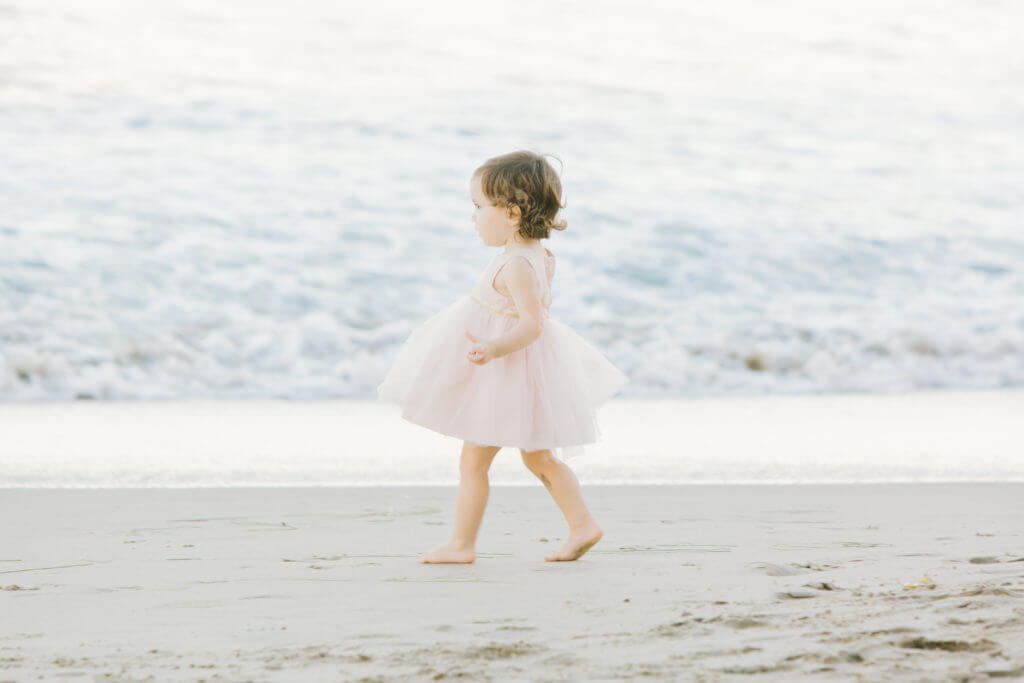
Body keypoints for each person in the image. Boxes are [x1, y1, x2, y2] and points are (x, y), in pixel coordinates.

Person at [377, 150, 629, 564]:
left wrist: (493, 349)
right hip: (523, 373)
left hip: (504, 373)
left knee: (474, 461)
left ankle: (462, 544)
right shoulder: (538, 257)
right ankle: (582, 524)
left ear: (511, 213)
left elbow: (532, 324)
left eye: (478, 207)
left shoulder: (516, 265)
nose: (472, 217)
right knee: (538, 457)